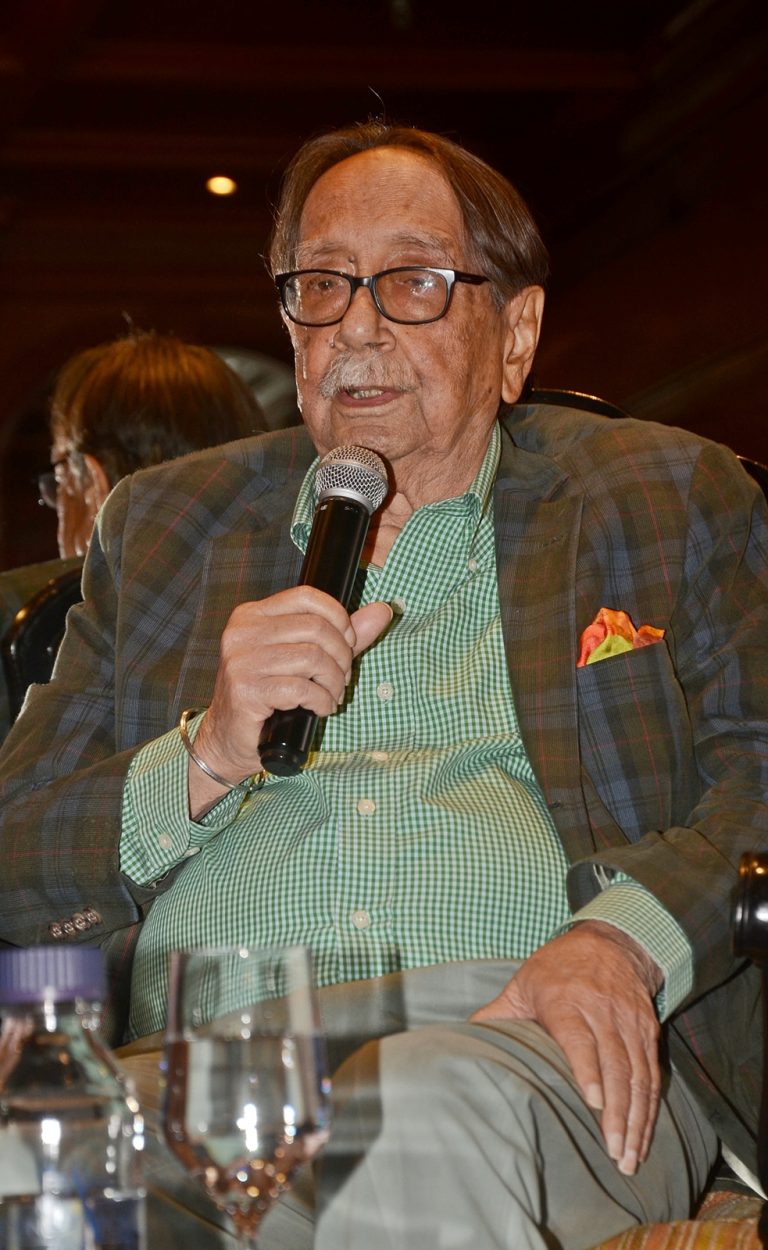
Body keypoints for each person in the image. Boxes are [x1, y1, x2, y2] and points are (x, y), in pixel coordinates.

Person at [0, 121, 765, 1250]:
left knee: (412, 1121)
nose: (356, 326)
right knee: (28, 1156)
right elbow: (14, 855)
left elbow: (761, 769)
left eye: (413, 281)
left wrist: (626, 939)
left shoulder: (660, 496)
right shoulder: (163, 529)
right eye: (321, 285)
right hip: (199, 1072)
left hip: (520, 1042)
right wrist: (206, 752)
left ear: (515, 335)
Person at [0, 330, 267, 738]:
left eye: (58, 481)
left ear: (91, 482)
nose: (55, 502)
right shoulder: (303, 579)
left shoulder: (15, 611)